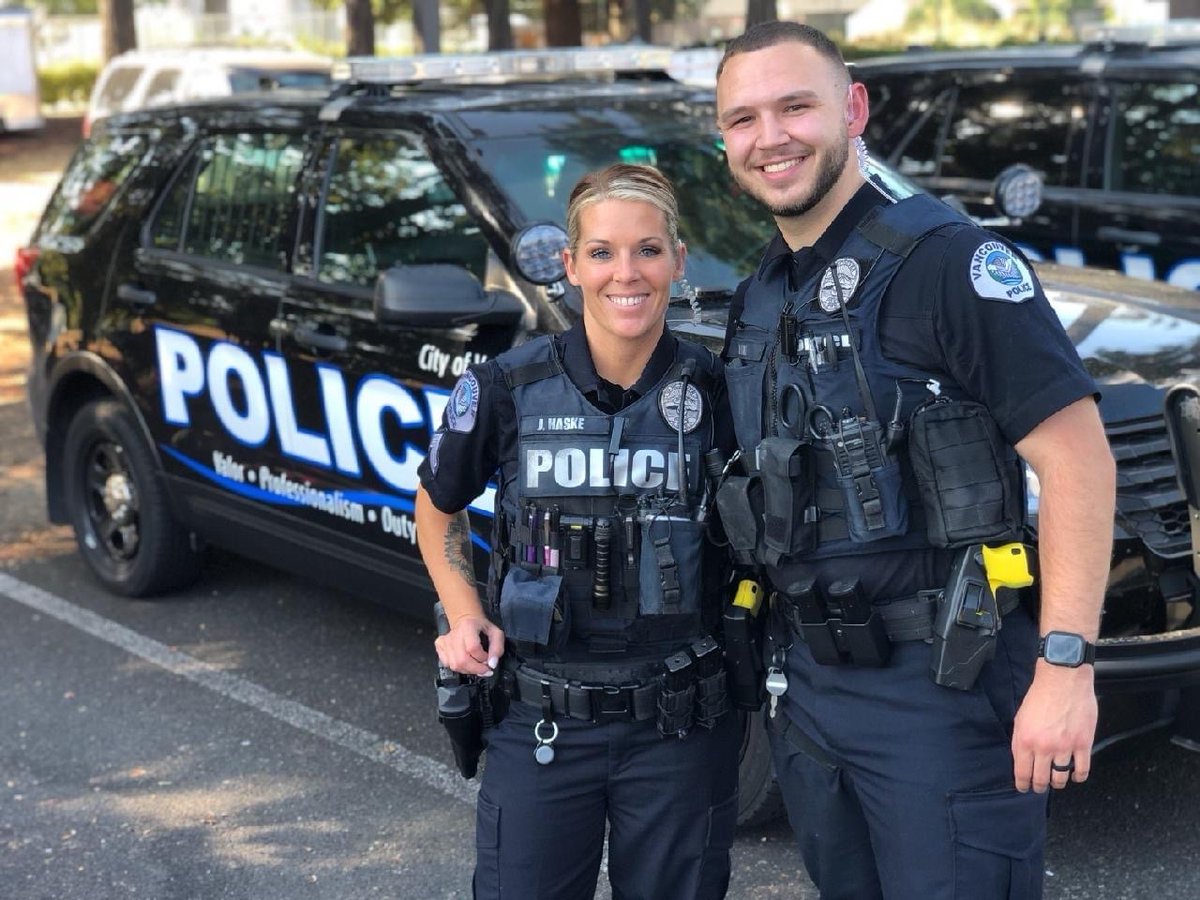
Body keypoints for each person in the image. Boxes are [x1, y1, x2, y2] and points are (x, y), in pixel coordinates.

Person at [713, 22, 1115, 899]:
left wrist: (1065, 666)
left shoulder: (953, 263)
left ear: (853, 109)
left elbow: (1078, 457)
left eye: (794, 106)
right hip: (812, 690)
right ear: (725, 141)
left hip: (947, 686)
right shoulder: (764, 292)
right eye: (743, 119)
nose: (769, 137)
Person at [415, 163, 740, 900]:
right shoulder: (506, 386)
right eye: (602, 252)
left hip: (682, 728)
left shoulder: (722, 390)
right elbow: (436, 508)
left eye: (648, 250)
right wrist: (465, 615)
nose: (626, 273)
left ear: (678, 260)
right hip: (541, 719)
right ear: (569, 266)